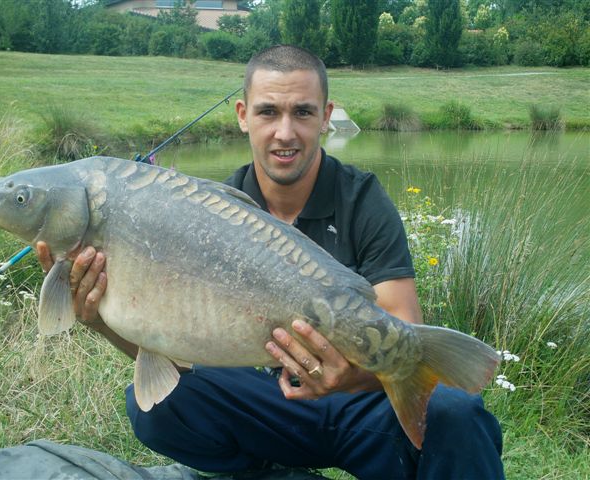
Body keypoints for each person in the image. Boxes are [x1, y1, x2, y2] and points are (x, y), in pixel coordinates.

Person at [37, 45, 503, 478]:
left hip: (355, 405)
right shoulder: (208, 212)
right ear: (243, 116)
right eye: (268, 112)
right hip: (262, 401)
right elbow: (169, 352)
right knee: (157, 407)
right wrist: (95, 318)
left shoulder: (362, 198)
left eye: (302, 112)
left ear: (326, 116)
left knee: (456, 413)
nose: (285, 132)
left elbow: (402, 325)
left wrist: (348, 379)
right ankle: (270, 472)